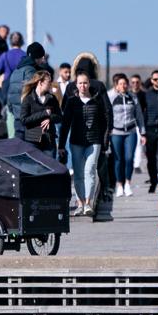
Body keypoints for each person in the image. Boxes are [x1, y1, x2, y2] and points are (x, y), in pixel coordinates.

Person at [60, 72, 109, 217]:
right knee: (78, 173)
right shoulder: (72, 102)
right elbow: (65, 124)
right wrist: (61, 145)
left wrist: (105, 140)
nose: (83, 86)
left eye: (85, 83)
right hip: (76, 141)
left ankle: (88, 202)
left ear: (89, 84)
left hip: (94, 141)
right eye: (80, 83)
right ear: (76, 85)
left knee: (90, 171)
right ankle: (80, 203)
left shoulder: (97, 101)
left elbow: (104, 122)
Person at [108, 73, 146, 198]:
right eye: (120, 84)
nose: (123, 86)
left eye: (125, 84)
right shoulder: (111, 97)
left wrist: (143, 132)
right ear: (116, 86)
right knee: (118, 159)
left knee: (129, 158)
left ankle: (128, 184)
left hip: (130, 132)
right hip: (116, 132)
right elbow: (106, 115)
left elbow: (139, 115)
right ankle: (119, 184)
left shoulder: (133, 97)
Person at [4, 42, 48, 138]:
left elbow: (10, 96)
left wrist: (15, 112)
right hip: (29, 119)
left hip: (17, 118)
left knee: (19, 148)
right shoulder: (31, 71)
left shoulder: (16, 71)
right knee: (33, 150)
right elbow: (34, 94)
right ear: (37, 57)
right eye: (41, 56)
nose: (43, 59)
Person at [19, 70, 61, 152]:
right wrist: (44, 113)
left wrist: (50, 118)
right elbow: (24, 120)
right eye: (48, 82)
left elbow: (60, 117)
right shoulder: (28, 99)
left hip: (49, 140)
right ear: (40, 83)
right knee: (35, 165)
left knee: (50, 164)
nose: (50, 84)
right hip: (33, 140)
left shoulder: (52, 98)